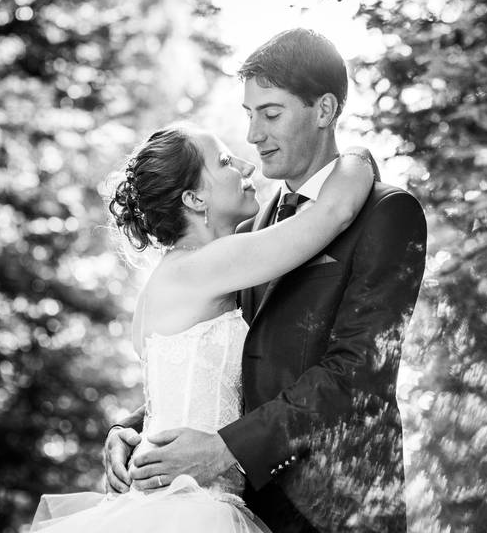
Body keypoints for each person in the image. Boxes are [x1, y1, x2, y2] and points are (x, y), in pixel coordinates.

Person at [105, 29, 428, 532]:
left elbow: (357, 373)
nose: (253, 136)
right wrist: (138, 428)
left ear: (324, 110)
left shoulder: (387, 212)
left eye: (271, 113)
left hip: (335, 510)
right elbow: (227, 361)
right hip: (234, 508)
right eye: (248, 114)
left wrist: (227, 448)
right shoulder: (249, 230)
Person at [30, 121, 378, 531]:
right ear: (194, 198)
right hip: (193, 507)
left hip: (166, 499)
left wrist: (125, 427)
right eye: (226, 162)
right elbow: (335, 212)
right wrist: (358, 155)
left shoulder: (172, 277)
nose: (248, 167)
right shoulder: (205, 267)